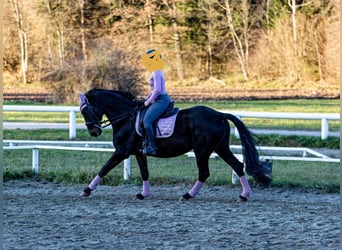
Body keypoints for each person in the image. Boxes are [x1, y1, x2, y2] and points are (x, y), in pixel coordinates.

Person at [141, 49, 171, 155]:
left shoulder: (157, 71)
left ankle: (152, 147)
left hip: (161, 100)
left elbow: (158, 90)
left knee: (147, 121)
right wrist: (146, 97)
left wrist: (149, 101)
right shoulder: (155, 70)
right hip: (158, 98)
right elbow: (154, 90)